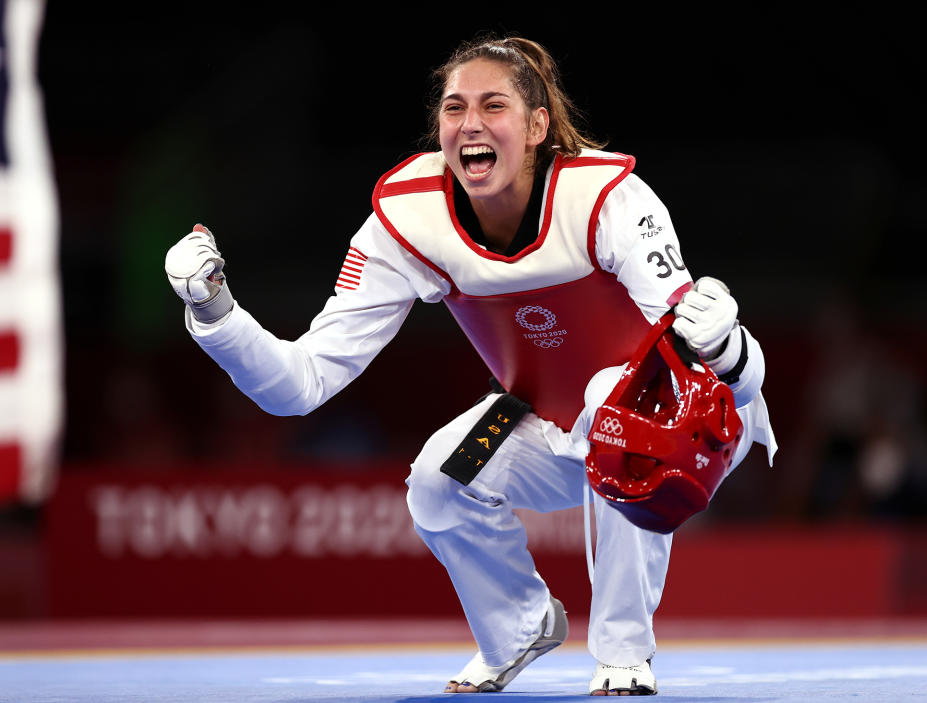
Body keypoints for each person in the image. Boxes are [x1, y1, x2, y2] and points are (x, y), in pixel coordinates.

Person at [165, 35, 776, 696]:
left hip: (686, 422)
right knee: (437, 480)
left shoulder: (608, 200)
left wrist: (734, 346)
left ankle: (624, 653)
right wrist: (214, 311)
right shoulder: (407, 221)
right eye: (455, 108)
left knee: (610, 402)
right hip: (540, 415)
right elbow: (300, 384)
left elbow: (727, 372)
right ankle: (518, 624)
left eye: (494, 105)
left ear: (538, 126)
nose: (471, 123)